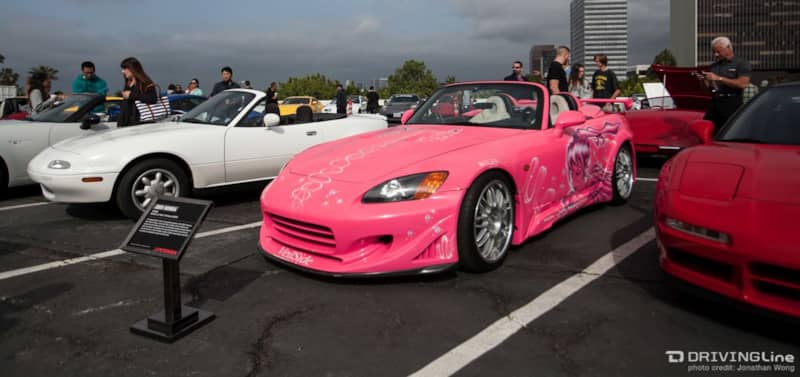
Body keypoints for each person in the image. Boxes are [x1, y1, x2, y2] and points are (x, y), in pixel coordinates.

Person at [698, 36, 751, 133]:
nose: (716, 54)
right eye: (714, 52)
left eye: (718, 51)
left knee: (728, 131)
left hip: (732, 103)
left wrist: (719, 78)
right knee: (707, 130)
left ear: (728, 48)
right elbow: (708, 90)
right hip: (716, 103)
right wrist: (703, 80)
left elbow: (742, 84)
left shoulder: (741, 63)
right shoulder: (713, 66)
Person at [117, 57, 158, 127]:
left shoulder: (145, 82)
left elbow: (153, 98)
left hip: (141, 125)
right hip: (126, 124)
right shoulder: (128, 83)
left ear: (132, 68)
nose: (122, 71)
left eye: (124, 69)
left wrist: (131, 95)